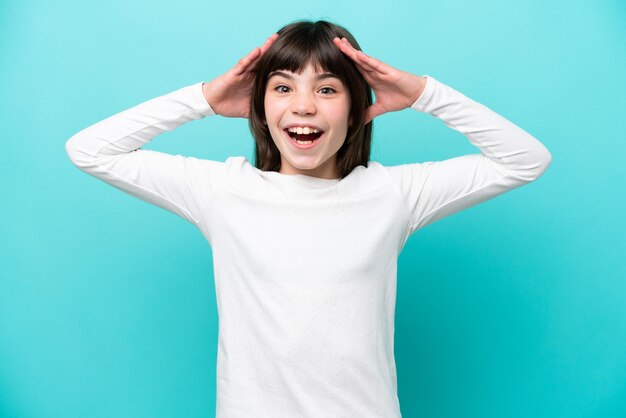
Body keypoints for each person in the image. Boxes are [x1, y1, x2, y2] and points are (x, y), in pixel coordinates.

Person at [65, 19, 552, 418]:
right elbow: (89, 150)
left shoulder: (391, 195)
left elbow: (525, 159)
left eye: (326, 89)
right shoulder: (224, 192)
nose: (303, 105)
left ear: (357, 108)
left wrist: (423, 93)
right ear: (261, 107)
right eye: (282, 87)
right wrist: (205, 100)